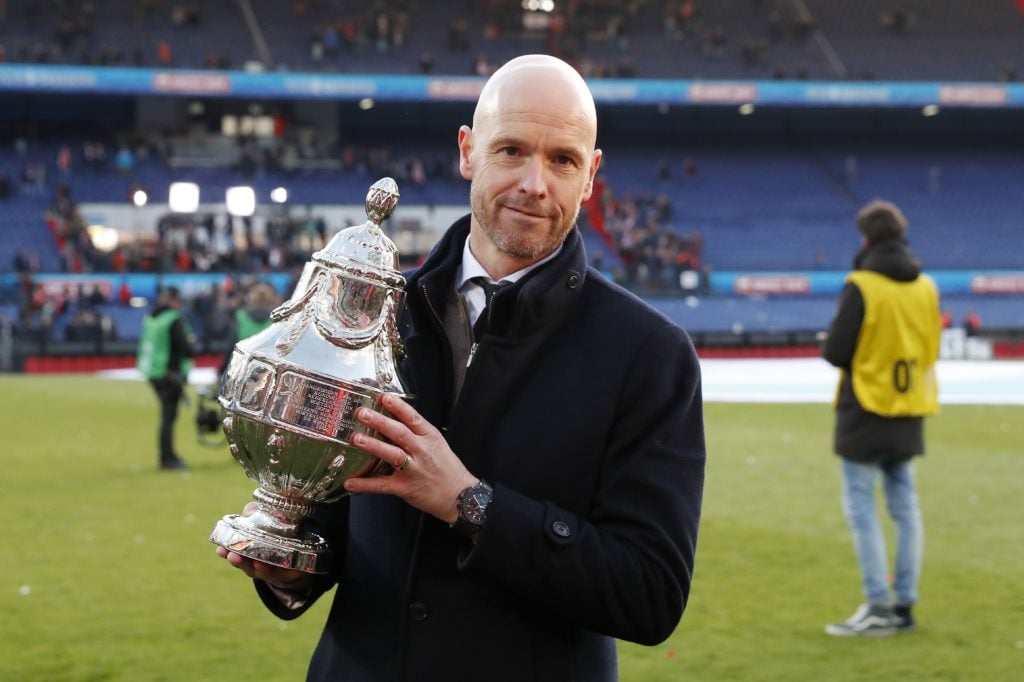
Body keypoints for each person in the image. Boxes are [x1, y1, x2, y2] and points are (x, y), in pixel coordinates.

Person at [216, 54, 706, 681]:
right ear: (468, 151)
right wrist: (290, 566)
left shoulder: (649, 354)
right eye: (511, 151)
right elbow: (336, 512)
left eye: (563, 160)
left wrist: (472, 504)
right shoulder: (379, 310)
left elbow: (650, 594)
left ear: (591, 176)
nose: (535, 182)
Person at [822, 199, 941, 637]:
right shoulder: (926, 286)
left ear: (867, 238)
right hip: (909, 408)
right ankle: (905, 604)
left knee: (861, 508)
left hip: (866, 408)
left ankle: (876, 603)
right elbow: (932, 347)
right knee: (905, 507)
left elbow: (836, 351)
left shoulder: (863, 283)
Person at [136, 286, 195, 470]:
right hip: (169, 373)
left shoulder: (151, 318)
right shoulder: (173, 320)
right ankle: (167, 458)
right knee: (169, 416)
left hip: (152, 371)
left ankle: (168, 455)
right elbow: (186, 349)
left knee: (167, 415)